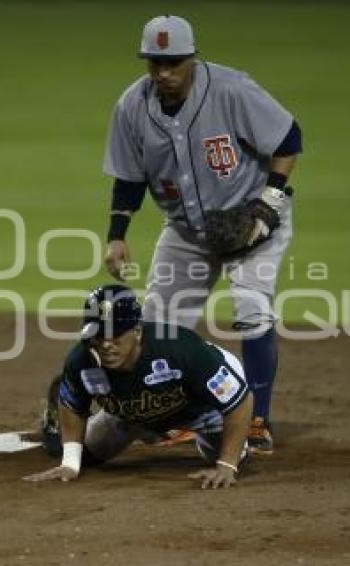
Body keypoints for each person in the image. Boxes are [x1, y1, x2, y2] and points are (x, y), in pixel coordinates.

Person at [101, 15, 303, 454]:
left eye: (173, 63)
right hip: (187, 229)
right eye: (155, 63)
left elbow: (289, 138)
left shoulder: (231, 90)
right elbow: (129, 177)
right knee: (156, 326)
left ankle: (256, 421)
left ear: (191, 57)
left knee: (252, 307)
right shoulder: (132, 107)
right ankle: (168, 417)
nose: (163, 73)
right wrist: (117, 234)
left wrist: (270, 201)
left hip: (252, 221)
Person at [23, 284, 252, 489]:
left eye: (115, 336)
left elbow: (240, 402)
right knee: (79, 455)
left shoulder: (180, 349)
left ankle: (174, 431)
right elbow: (73, 406)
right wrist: (70, 464)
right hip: (130, 414)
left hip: (203, 410)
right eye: (98, 335)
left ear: (138, 331)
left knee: (228, 456)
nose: (106, 345)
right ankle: (54, 424)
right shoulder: (82, 361)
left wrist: (227, 464)